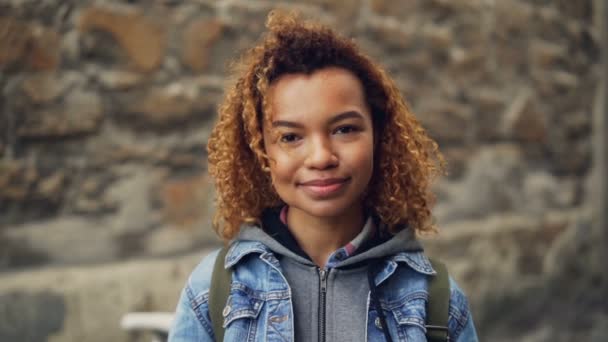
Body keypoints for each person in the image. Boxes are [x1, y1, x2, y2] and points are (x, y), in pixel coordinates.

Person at [169, 10, 478, 342]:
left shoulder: (435, 302)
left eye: (345, 129)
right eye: (290, 137)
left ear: (379, 136)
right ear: (261, 150)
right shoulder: (214, 293)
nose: (321, 157)